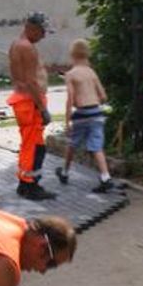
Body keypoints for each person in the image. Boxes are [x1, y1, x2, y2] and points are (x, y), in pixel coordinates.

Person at [57, 39, 114, 193]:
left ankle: (65, 172)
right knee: (97, 146)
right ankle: (105, 176)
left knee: (72, 144)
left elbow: (70, 98)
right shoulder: (91, 72)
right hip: (96, 113)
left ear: (72, 55)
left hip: (82, 114)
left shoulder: (71, 74)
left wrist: (67, 120)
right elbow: (103, 96)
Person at [9, 12, 56, 200]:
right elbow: (30, 81)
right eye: (42, 32)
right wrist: (42, 109)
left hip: (24, 100)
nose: (44, 36)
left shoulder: (17, 44)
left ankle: (26, 183)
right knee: (34, 147)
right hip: (30, 103)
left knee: (32, 145)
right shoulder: (27, 47)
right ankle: (29, 186)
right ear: (33, 28)